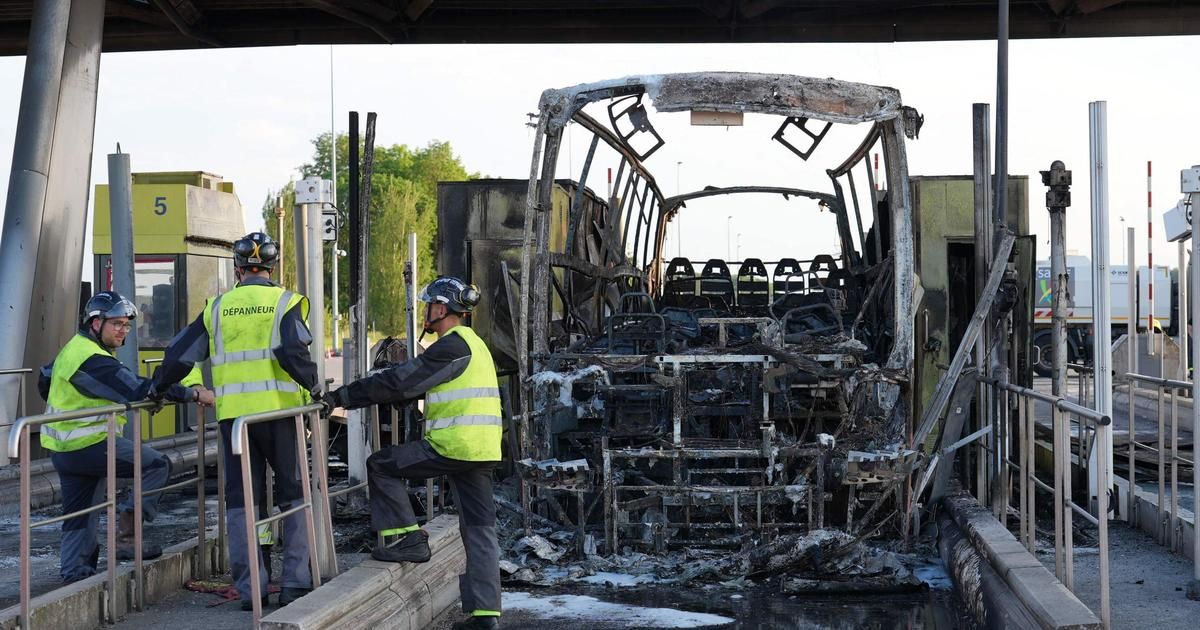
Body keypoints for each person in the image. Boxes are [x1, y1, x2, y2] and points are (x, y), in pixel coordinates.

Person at [325, 276, 503, 630]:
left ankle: (409, 538)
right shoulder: (475, 344)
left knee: (381, 465)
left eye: (429, 305)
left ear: (441, 308)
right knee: (479, 528)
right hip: (483, 449)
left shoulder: (451, 346)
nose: (426, 312)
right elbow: (428, 386)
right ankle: (486, 615)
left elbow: (400, 381)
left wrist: (341, 397)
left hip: (453, 445)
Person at [155, 232, 317, 611]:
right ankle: (295, 582)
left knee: (245, 503)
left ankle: (252, 591)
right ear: (272, 268)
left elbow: (180, 354)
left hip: (235, 422)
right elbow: (292, 352)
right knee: (294, 496)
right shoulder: (286, 302)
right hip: (281, 415)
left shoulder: (217, 307)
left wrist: (159, 386)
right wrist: (316, 391)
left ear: (238, 268)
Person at [38, 291, 214, 583]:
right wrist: (192, 393)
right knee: (156, 466)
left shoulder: (74, 349)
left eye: (126, 325)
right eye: (117, 324)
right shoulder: (93, 359)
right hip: (88, 444)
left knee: (80, 513)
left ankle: (74, 576)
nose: (123, 330)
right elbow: (137, 388)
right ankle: (127, 539)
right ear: (96, 323)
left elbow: (44, 378)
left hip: (63, 447)